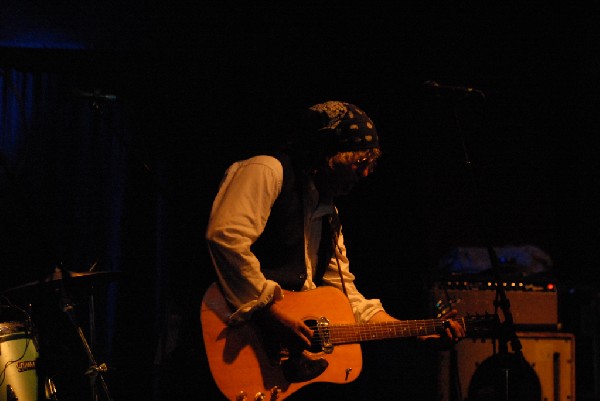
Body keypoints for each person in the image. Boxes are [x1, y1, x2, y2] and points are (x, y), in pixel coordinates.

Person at [205, 100, 465, 388]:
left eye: (369, 165)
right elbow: (225, 238)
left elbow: (346, 299)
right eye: (359, 162)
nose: (365, 174)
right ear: (327, 154)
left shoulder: (329, 216)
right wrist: (270, 313)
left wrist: (411, 332)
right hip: (229, 340)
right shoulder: (267, 171)